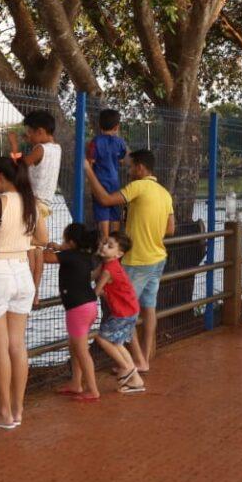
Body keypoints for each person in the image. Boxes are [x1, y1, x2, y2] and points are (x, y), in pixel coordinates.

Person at [0, 155, 46, 429]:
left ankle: (2, 413)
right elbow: (40, 239)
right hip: (22, 272)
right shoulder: (32, 203)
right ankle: (17, 409)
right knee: (17, 345)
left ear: (1, 177)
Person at [89, 149, 174, 372]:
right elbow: (171, 228)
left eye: (131, 166)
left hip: (137, 261)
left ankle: (136, 362)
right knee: (148, 309)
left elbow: (105, 199)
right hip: (158, 258)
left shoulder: (138, 186)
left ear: (140, 168)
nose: (128, 170)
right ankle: (144, 358)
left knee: (124, 311)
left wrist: (89, 171)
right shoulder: (165, 193)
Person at [43, 222, 102, 402]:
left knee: (81, 350)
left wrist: (46, 245)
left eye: (64, 239)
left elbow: (47, 257)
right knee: (75, 346)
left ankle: (92, 389)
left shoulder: (69, 255)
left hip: (78, 309)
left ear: (71, 242)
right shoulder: (85, 256)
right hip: (89, 305)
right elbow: (63, 254)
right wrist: (62, 247)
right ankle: (76, 382)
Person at [9, 109, 61, 289]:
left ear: (40, 131)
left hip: (33, 202)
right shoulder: (56, 148)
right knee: (37, 247)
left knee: (29, 246)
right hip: (45, 203)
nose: (28, 137)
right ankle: (35, 290)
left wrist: (14, 147)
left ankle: (28, 287)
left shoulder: (40, 149)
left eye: (29, 133)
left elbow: (19, 167)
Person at [96, 233, 145, 393]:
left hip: (123, 312)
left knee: (102, 338)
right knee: (117, 343)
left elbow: (96, 290)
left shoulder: (108, 269)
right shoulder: (110, 264)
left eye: (110, 246)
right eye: (105, 243)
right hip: (130, 310)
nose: (104, 247)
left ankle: (126, 368)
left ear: (119, 254)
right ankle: (136, 380)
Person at [85, 108, 129, 237]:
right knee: (115, 211)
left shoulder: (95, 142)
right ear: (117, 127)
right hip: (115, 183)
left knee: (101, 209)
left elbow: (90, 160)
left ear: (99, 125)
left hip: (100, 182)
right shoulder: (120, 142)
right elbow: (122, 158)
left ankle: (104, 239)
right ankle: (115, 241)